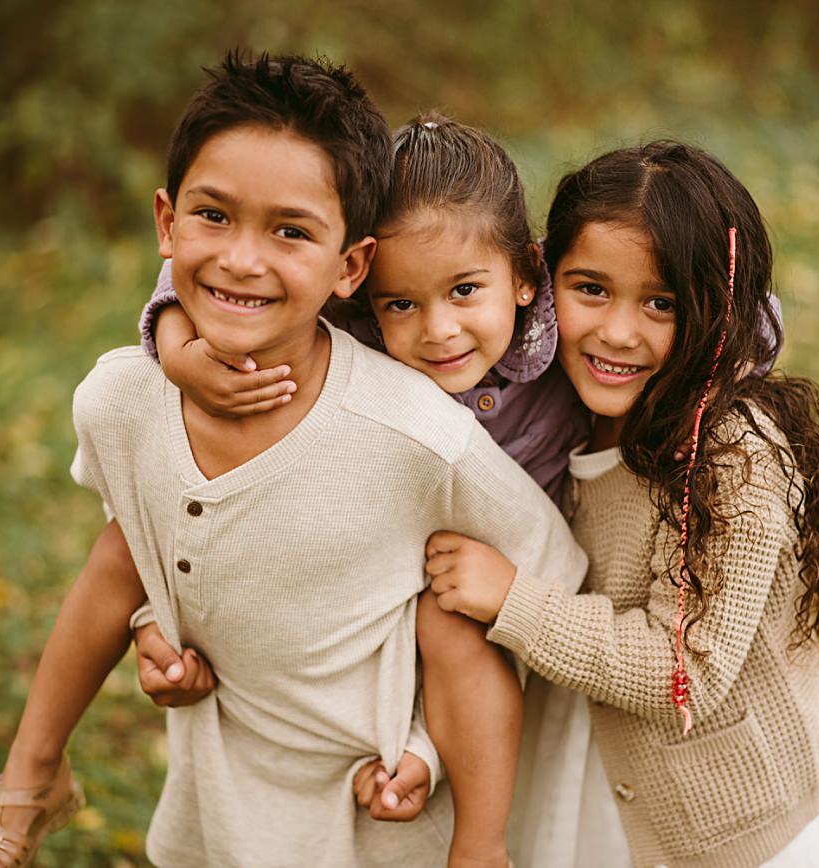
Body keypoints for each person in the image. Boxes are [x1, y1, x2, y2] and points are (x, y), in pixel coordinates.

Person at [0, 53, 587, 868]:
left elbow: (546, 573)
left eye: (290, 231)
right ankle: (24, 796)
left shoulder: (416, 428)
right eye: (213, 217)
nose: (244, 260)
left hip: (383, 810)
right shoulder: (120, 401)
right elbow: (146, 546)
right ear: (165, 221)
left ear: (349, 266)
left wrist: (430, 739)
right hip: (217, 807)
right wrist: (154, 625)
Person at [140, 112, 603, 867]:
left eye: (464, 291)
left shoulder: (558, 343)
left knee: (448, 619)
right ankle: (411, 752)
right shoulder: (348, 330)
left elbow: (708, 303)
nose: (438, 330)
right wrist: (175, 341)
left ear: (526, 275)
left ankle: (480, 848)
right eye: (402, 304)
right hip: (374, 579)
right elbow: (209, 272)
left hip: (504, 580)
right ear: (361, 284)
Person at [425, 141, 819, 867]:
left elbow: (683, 671)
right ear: (543, 285)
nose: (617, 331)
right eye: (591, 289)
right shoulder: (551, 405)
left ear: (711, 312)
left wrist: (512, 599)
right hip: (598, 792)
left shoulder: (733, 452)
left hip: (740, 839)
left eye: (660, 303)